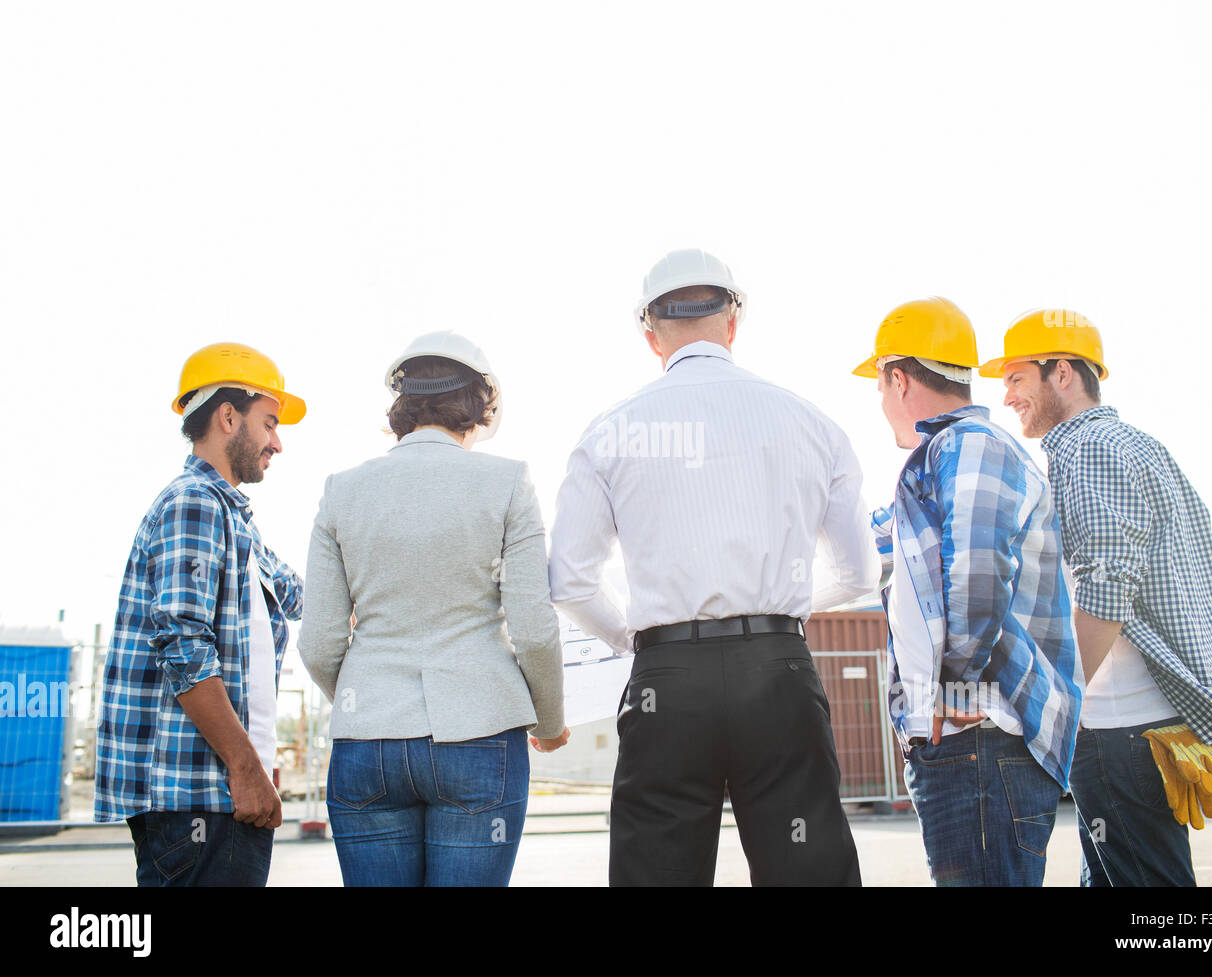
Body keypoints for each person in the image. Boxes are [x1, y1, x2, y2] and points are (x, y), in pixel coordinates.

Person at [549, 249, 873, 886]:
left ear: (650, 335)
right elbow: (861, 574)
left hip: (665, 679)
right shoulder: (813, 423)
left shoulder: (610, 431)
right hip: (778, 671)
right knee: (806, 869)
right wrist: (783, 611)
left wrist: (633, 638)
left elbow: (568, 580)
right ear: (734, 321)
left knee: (657, 871)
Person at [982, 309, 1212, 886]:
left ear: (1061, 372)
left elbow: (1107, 582)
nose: (1008, 395)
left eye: (1017, 377)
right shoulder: (1142, 446)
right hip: (1146, 724)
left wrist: (1060, 701)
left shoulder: (1085, 448)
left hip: (1117, 731)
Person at [298, 331, 568, 887]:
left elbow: (319, 642)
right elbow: (535, 632)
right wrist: (549, 720)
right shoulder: (508, 482)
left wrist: (367, 700)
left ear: (400, 404)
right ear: (482, 405)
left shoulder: (341, 490)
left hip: (366, 740)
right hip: (480, 736)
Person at [856, 297, 1083, 886]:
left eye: (879, 386)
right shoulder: (946, 458)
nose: (880, 404)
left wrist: (953, 684)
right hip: (967, 740)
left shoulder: (971, 446)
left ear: (898, 379)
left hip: (981, 738)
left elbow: (979, 572)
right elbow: (874, 553)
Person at [95, 342, 306, 886]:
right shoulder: (194, 503)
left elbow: (302, 595)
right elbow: (184, 648)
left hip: (216, 801)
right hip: (202, 798)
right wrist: (247, 769)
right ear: (228, 416)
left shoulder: (235, 520)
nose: (277, 443)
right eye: (270, 422)